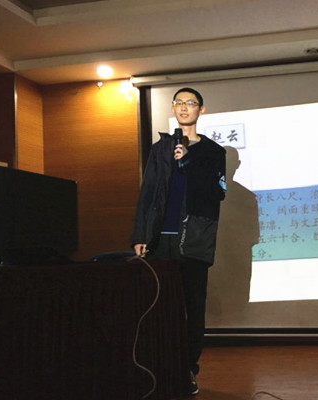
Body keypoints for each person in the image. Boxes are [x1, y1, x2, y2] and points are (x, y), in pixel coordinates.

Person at [131, 87, 226, 396]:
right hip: (161, 241)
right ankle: (159, 367)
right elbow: (147, 193)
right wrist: (140, 235)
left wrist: (189, 162)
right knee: (158, 309)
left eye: (191, 103)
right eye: (179, 103)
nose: (184, 107)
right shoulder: (161, 149)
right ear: (173, 109)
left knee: (192, 310)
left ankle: (188, 370)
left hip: (194, 241)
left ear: (201, 110)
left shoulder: (213, 152)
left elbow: (218, 193)